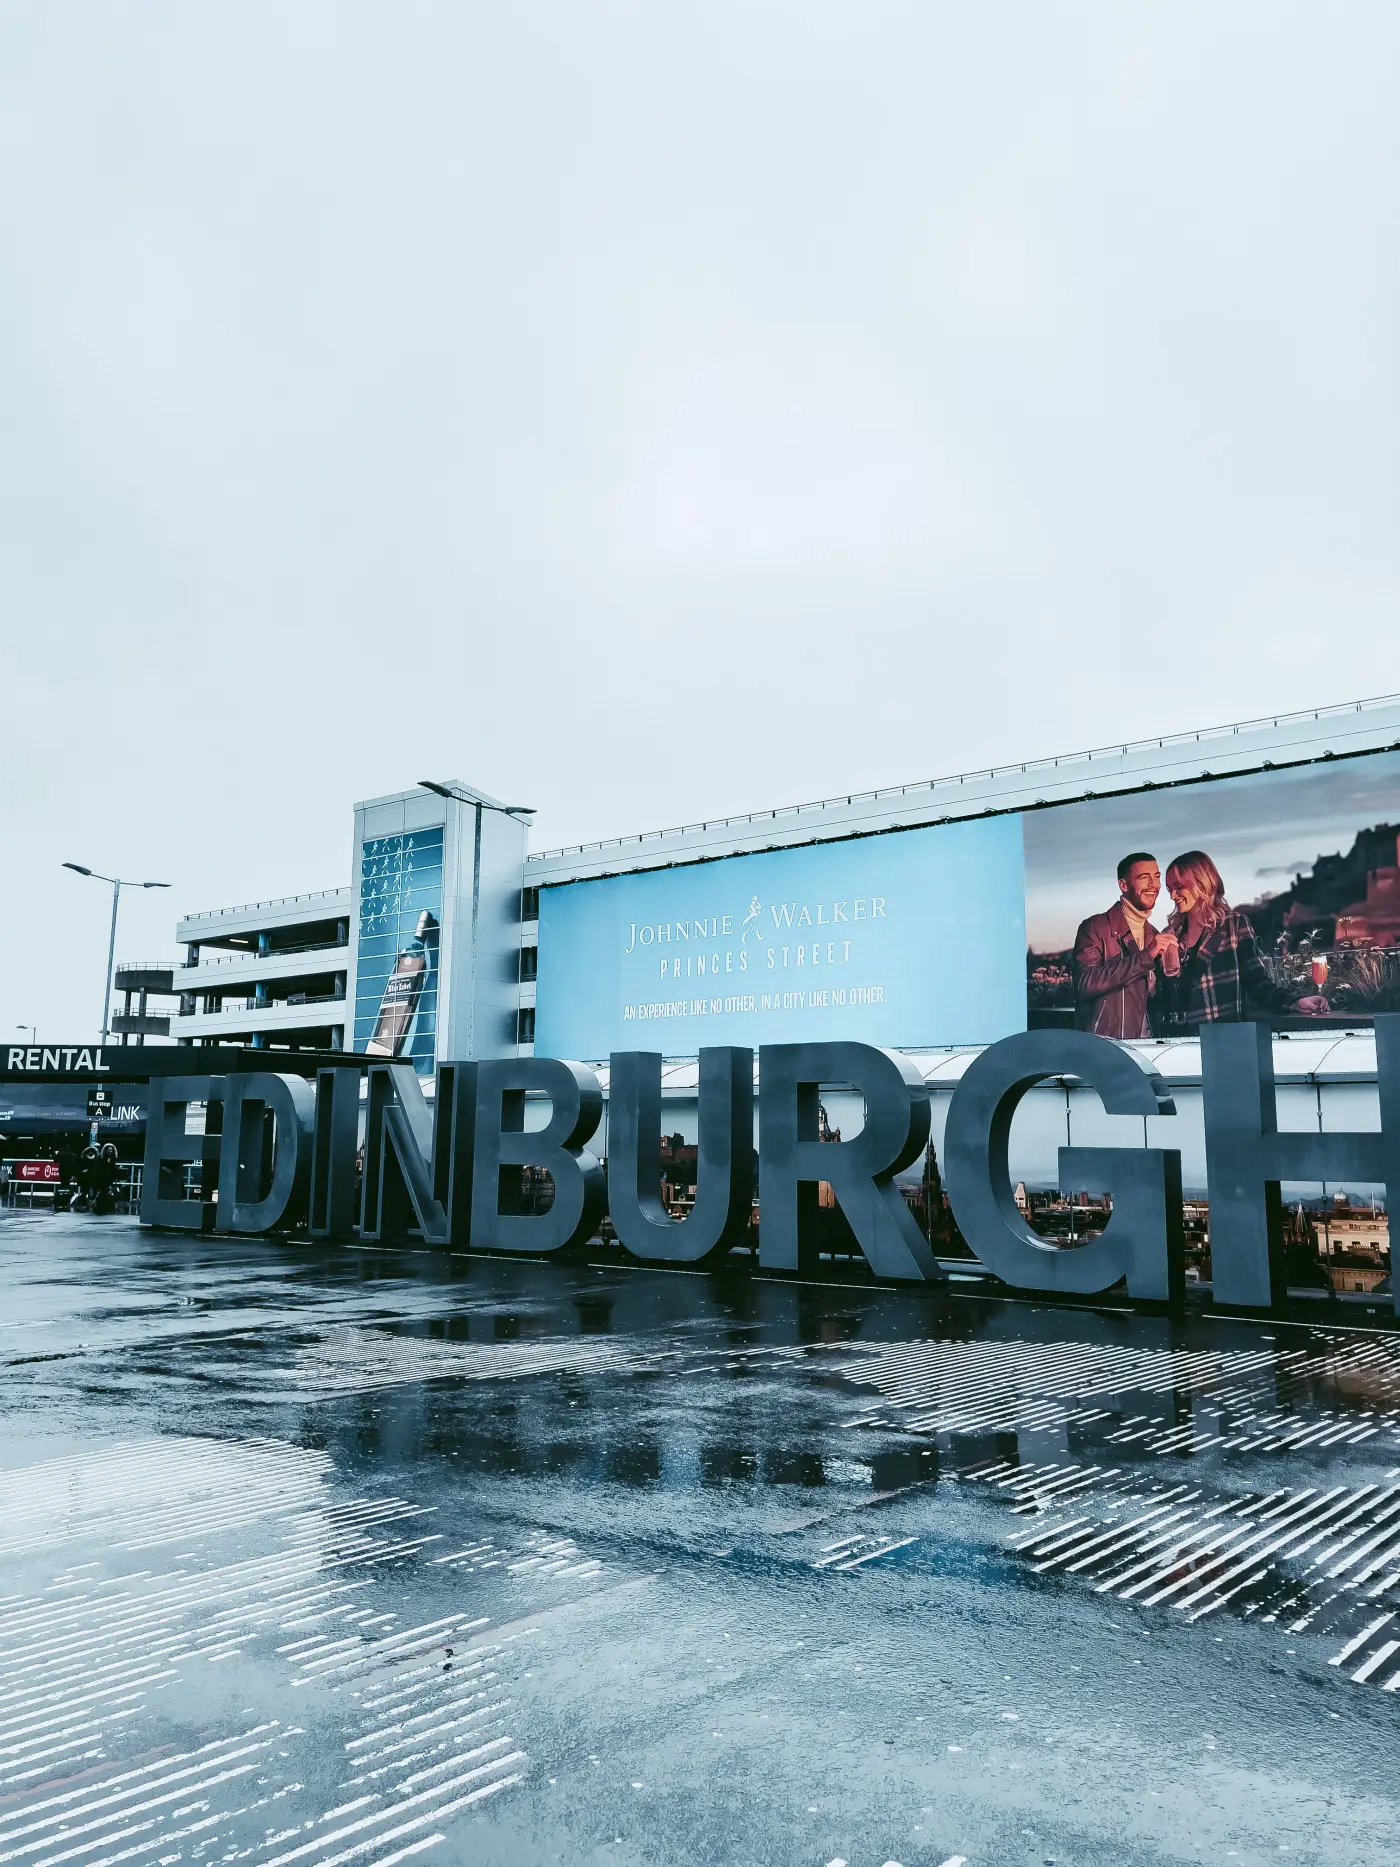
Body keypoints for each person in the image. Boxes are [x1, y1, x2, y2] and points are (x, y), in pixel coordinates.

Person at [1157, 849, 1330, 1028]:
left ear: (1201, 882)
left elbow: (1256, 981)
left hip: (1222, 1035)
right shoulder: (1170, 935)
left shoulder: (1233, 925)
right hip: (1179, 1041)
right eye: (1170, 889)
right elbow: (1164, 995)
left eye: (1179, 887)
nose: (1172, 896)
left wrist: (1294, 1001)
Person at [1072, 851, 1179, 1038]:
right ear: (1123, 885)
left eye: (1156, 877)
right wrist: (1146, 956)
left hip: (1145, 1050)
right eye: (1144, 878)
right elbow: (1085, 983)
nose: (1153, 885)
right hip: (1104, 1046)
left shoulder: (1155, 935)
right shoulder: (1095, 927)